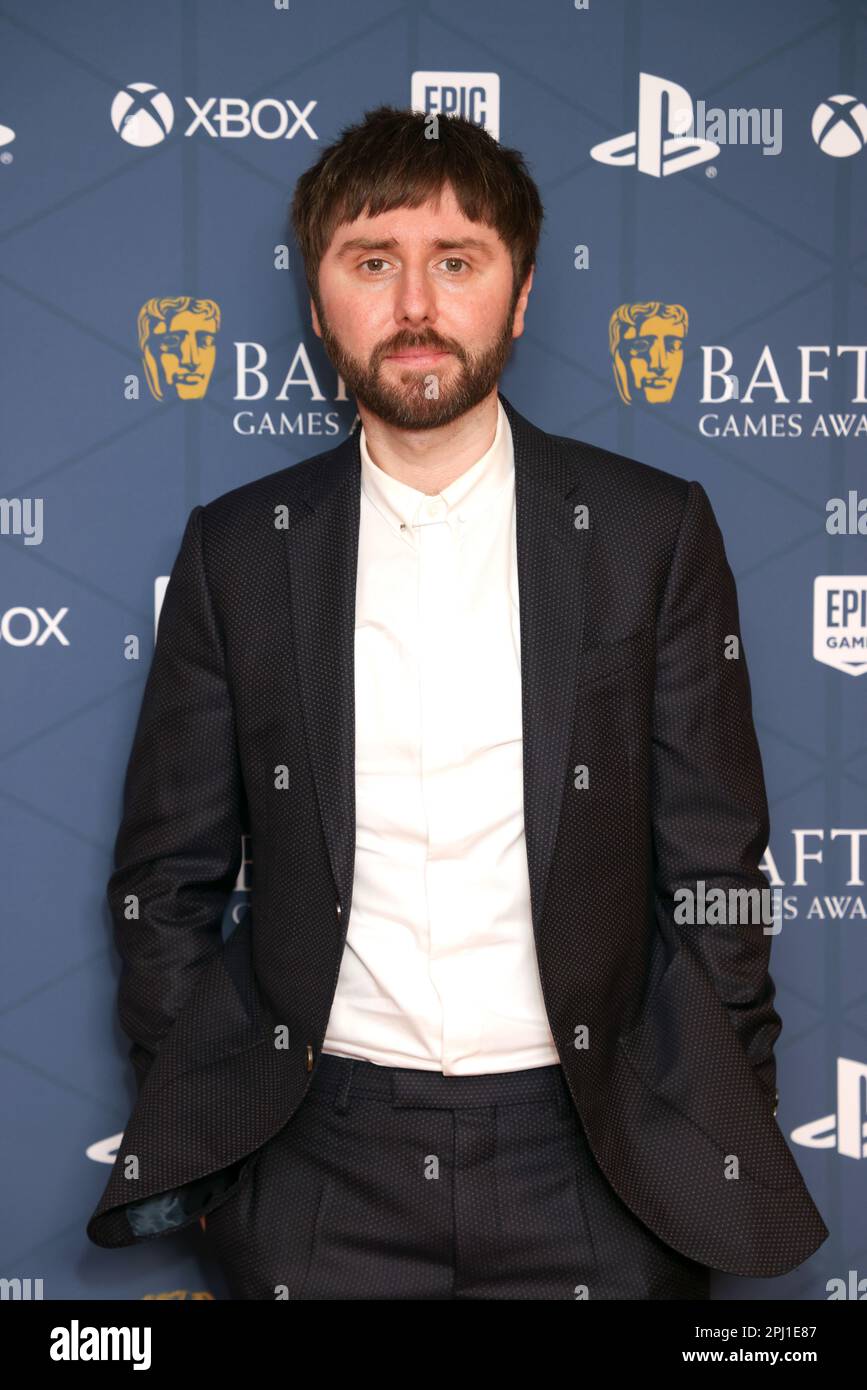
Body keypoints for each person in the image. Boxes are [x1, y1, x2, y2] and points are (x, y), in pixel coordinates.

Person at [87, 105, 828, 1299]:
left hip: (591, 1158)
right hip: (319, 1159)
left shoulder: (649, 532)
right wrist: (234, 1169)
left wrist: (707, 1118)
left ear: (521, 294)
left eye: (457, 262)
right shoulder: (238, 553)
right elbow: (163, 879)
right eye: (372, 263)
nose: (416, 305)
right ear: (320, 302)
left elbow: (718, 870)